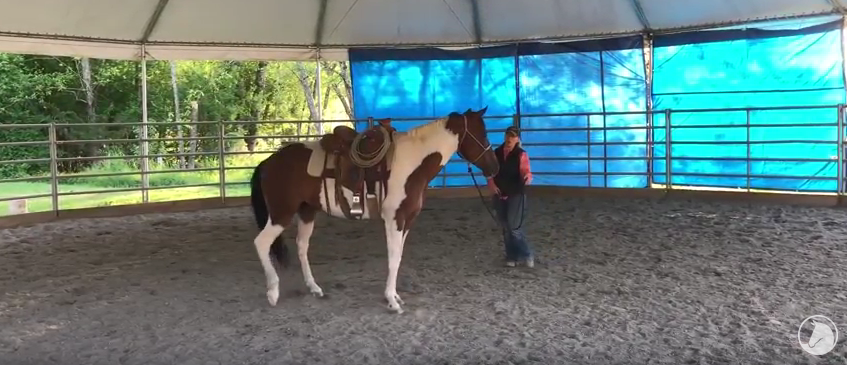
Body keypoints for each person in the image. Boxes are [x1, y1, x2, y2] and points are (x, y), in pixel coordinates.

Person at [486, 126, 534, 268]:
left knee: (514, 227)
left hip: (516, 194)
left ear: (517, 139)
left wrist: (527, 177)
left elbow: (526, 171)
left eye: (512, 137)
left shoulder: (521, 155)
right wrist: (492, 185)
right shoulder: (496, 153)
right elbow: (490, 171)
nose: (509, 139)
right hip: (500, 193)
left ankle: (526, 253)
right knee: (506, 228)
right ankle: (511, 256)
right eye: (508, 136)